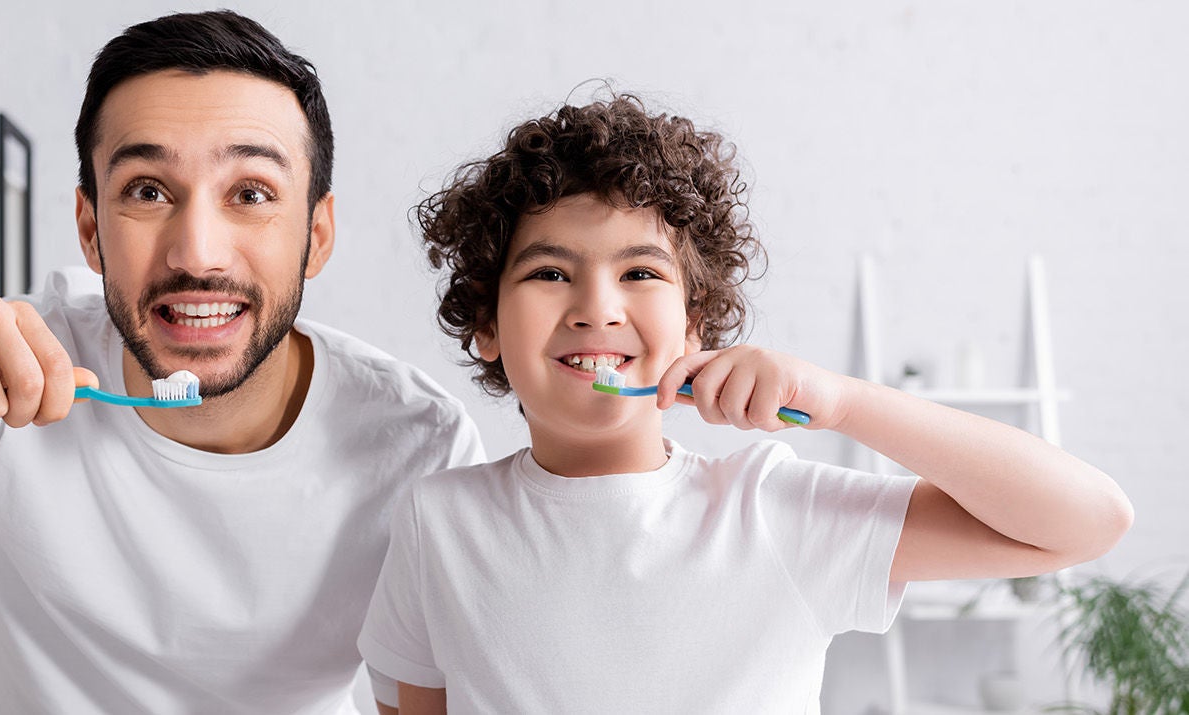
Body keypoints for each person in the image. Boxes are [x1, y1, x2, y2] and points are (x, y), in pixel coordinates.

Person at [0, 11, 482, 714]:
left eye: (250, 192)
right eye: (146, 189)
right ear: (91, 227)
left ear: (317, 234)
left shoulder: (419, 444)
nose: (197, 251)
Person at [356, 94, 1133, 713]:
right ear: (487, 325)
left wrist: (842, 401)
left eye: (640, 274)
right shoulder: (438, 524)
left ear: (695, 326)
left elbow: (1090, 519)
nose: (598, 308)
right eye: (550, 273)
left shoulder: (772, 508)